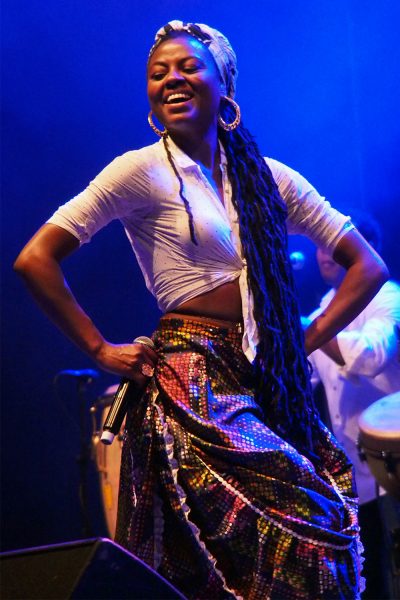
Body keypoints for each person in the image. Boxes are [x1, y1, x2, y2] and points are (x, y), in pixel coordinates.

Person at [14, 20, 389, 599]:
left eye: (188, 67)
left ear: (225, 83)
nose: (171, 79)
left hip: (265, 377)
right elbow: (36, 258)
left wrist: (305, 338)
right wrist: (98, 348)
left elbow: (367, 266)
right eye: (157, 72)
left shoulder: (267, 178)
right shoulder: (139, 170)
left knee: (305, 537)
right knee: (296, 520)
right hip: (192, 384)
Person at [306, 210, 400, 599]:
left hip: (395, 462)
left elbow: (371, 355)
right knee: (371, 572)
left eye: (332, 243)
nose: (323, 253)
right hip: (351, 472)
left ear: (366, 249)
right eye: (319, 245)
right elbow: (307, 377)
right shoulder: (323, 307)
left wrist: (309, 331)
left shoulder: (389, 297)